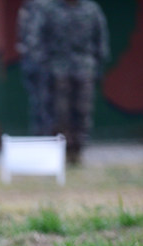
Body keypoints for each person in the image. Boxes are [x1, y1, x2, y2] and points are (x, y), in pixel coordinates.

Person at [32, 0, 110, 164]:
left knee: (83, 111)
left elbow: (100, 38)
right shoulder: (50, 10)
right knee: (59, 113)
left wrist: (98, 64)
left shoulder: (91, 9)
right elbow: (37, 38)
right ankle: (60, 152)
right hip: (57, 70)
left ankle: (77, 151)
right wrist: (44, 64)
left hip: (84, 68)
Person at [16, 0, 51, 136]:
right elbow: (24, 38)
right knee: (38, 102)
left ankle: (48, 136)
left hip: (49, 64)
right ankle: (41, 136)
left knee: (46, 103)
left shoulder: (49, 8)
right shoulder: (27, 9)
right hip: (33, 64)